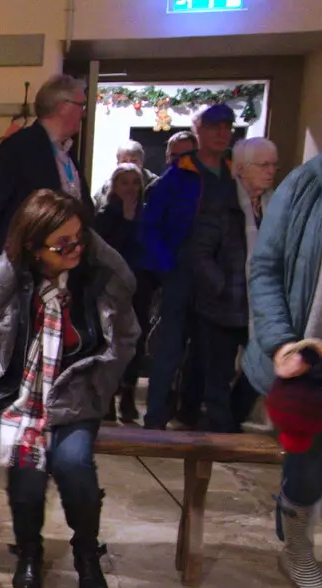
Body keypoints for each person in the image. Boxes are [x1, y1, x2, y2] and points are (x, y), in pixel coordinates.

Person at [0, 190, 140, 588]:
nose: (76, 248)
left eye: (80, 238)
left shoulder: (97, 277)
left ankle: (86, 551)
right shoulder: (1, 280)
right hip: (16, 396)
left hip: (76, 395)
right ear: (34, 249)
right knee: (27, 475)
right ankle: (29, 551)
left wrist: (100, 384)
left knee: (73, 465)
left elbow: (125, 336)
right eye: (63, 244)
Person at [244, 74, 322, 588]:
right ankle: (296, 546)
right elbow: (264, 268)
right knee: (310, 475)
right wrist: (279, 341)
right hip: (314, 364)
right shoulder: (310, 183)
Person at [142, 105, 239, 430]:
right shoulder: (178, 174)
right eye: (215, 127)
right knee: (169, 346)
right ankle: (155, 417)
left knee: (210, 349)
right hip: (181, 272)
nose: (222, 133)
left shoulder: (233, 173)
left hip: (218, 275)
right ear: (199, 130)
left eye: (228, 127)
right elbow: (151, 225)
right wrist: (166, 265)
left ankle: (195, 413)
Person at [188, 136, 279, 432]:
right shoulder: (219, 201)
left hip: (260, 304)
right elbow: (200, 252)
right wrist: (220, 285)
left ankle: (231, 421)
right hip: (222, 304)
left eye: (274, 164)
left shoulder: (275, 205)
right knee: (218, 373)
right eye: (263, 164)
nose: (271, 170)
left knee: (259, 369)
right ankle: (221, 431)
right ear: (240, 168)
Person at [0, 74, 95, 267]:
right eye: (81, 105)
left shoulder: (67, 152)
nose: (83, 113)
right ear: (63, 106)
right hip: (27, 268)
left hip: (64, 268)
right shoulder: (18, 147)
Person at [93, 162, 150, 423]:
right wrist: (125, 220)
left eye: (134, 182)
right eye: (124, 182)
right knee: (111, 340)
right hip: (111, 288)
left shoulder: (147, 215)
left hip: (141, 286)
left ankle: (128, 394)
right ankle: (107, 398)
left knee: (136, 343)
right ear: (114, 186)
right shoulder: (104, 216)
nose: (130, 188)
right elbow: (107, 253)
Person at [93, 141, 157, 209]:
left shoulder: (155, 185)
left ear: (141, 162)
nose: (129, 165)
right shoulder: (108, 186)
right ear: (118, 164)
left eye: (134, 161)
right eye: (124, 161)